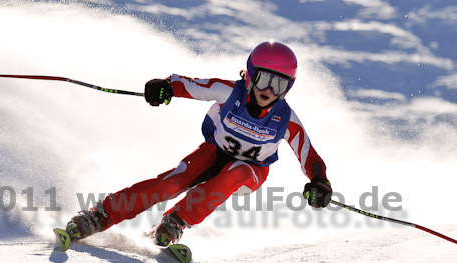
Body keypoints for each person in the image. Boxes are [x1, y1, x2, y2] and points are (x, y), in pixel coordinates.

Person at [64, 41, 332, 247]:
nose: (269, 91)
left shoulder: (285, 119)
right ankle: (100, 216)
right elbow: (189, 85)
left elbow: (310, 157)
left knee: (236, 172)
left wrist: (319, 181)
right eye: (265, 80)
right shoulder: (228, 92)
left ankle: (177, 220)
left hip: (251, 171)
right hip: (213, 153)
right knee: (171, 182)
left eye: (280, 85)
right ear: (250, 75)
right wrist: (164, 87)